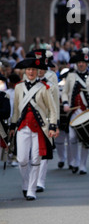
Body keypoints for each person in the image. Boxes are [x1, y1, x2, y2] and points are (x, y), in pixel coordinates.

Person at [9, 57, 57, 200]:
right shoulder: (19, 87)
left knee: (36, 159)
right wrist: (12, 126)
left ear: (37, 72)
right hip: (23, 127)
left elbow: (52, 109)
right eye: (29, 69)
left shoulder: (44, 87)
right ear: (25, 71)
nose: (31, 72)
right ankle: (25, 183)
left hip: (39, 129)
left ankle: (31, 190)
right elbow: (16, 110)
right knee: (22, 159)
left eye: (34, 70)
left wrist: (53, 126)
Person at [61, 48, 89, 175]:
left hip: (88, 112)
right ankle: (74, 162)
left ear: (87, 64)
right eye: (79, 62)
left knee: (86, 139)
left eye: (83, 62)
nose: (81, 64)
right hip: (73, 112)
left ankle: (83, 165)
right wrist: (66, 104)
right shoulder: (71, 76)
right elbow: (65, 93)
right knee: (72, 138)